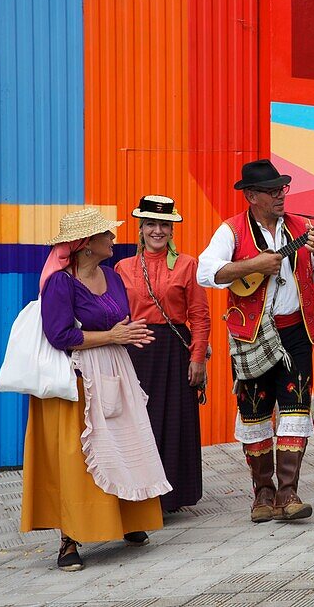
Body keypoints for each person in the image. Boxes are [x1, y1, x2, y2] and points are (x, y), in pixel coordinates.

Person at [22, 207, 170, 571]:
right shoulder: (61, 282)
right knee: (80, 457)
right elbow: (59, 335)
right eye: (107, 234)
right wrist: (113, 335)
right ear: (86, 244)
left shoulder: (111, 275)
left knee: (125, 443)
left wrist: (129, 333)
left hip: (114, 368)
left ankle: (130, 520)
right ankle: (68, 539)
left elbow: (117, 317)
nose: (114, 238)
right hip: (78, 376)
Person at [197, 159, 314, 523]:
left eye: (282, 189)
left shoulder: (301, 228)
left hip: (295, 332)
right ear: (252, 196)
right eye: (272, 191)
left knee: (295, 411)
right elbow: (206, 272)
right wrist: (254, 265)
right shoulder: (232, 231)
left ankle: (288, 493)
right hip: (250, 332)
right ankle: (262, 493)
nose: (280, 196)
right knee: (255, 413)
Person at [116, 196, 211, 512]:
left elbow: (199, 315)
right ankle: (140, 495)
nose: (157, 231)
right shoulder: (122, 267)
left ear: (171, 231)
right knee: (139, 422)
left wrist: (197, 357)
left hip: (174, 351)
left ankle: (170, 497)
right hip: (135, 352)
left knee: (172, 421)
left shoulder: (188, 265)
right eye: (151, 224)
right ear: (140, 229)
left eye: (164, 225)